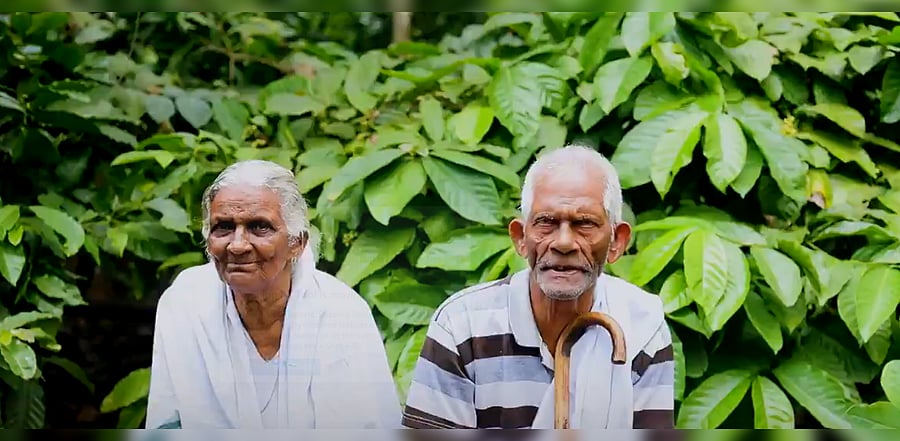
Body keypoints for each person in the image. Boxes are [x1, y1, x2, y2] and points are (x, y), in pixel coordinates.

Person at [401, 144, 674, 429]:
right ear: (520, 237)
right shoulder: (463, 324)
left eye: (584, 224)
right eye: (546, 222)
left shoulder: (641, 325)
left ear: (617, 241)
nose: (564, 243)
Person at [145, 159, 401, 429]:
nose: (238, 245)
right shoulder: (186, 302)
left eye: (259, 227)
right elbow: (167, 423)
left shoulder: (342, 313)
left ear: (297, 242)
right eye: (224, 227)